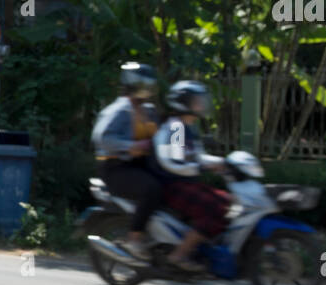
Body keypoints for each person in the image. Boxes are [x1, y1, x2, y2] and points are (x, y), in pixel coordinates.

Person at [149, 80, 233, 273]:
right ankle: (179, 255)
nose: (202, 105)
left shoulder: (188, 127)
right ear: (184, 103)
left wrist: (222, 162)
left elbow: (196, 156)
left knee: (228, 201)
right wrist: (201, 167)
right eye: (197, 101)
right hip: (173, 186)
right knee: (215, 209)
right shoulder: (176, 128)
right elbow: (175, 162)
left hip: (186, 183)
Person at [92, 62, 162, 260]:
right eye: (145, 85)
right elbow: (102, 138)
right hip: (116, 169)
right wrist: (131, 146)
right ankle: (134, 238)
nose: (149, 90)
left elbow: (162, 135)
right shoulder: (120, 110)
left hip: (139, 165)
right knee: (152, 189)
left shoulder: (148, 110)